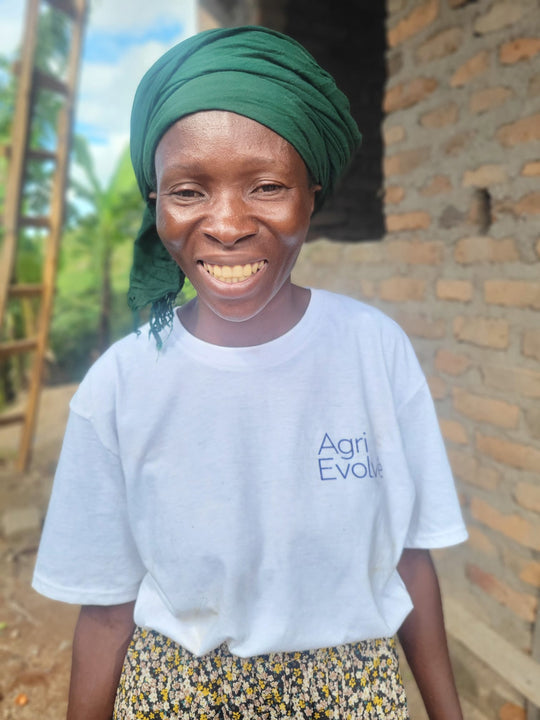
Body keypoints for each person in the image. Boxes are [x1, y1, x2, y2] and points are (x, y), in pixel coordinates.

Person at [32, 25, 468, 720]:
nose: (228, 224)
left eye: (267, 186)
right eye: (187, 191)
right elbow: (108, 610)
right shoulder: (120, 386)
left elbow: (409, 559)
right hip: (178, 694)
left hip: (353, 694)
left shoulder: (373, 351)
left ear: (311, 194)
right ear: (155, 201)